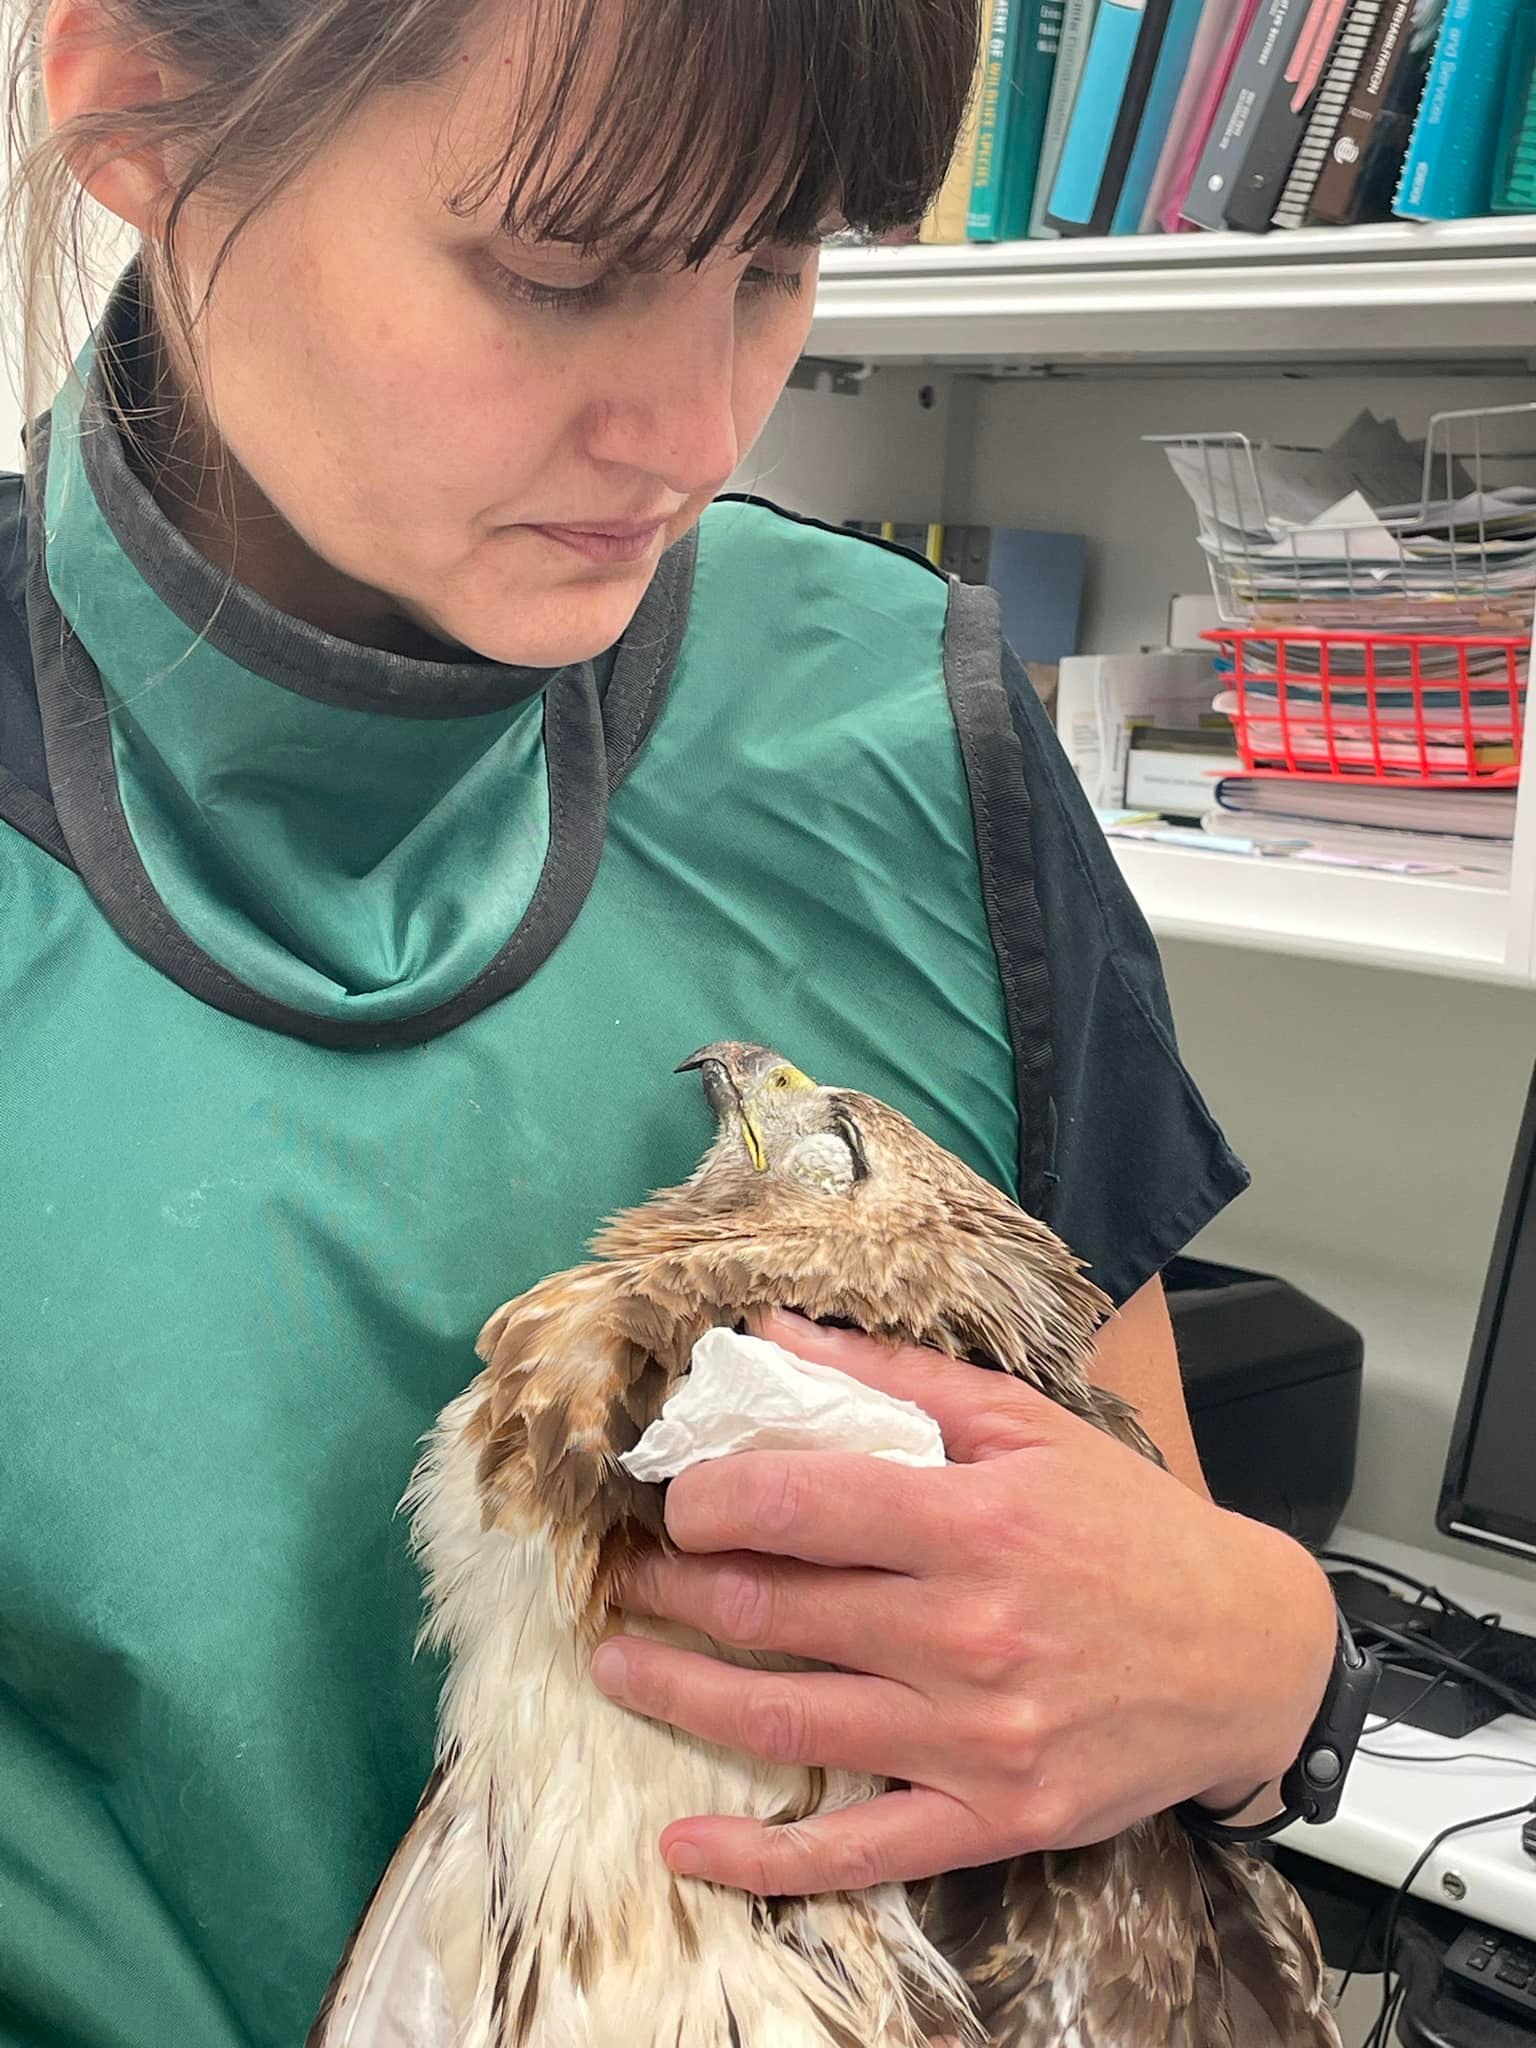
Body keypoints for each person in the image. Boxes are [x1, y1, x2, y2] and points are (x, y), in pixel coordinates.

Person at [0, 0, 1341, 2041]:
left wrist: (1271, 1666)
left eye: (782, 261)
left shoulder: (916, 734)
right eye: (559, 270)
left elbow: (1116, 1588)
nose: (702, 433)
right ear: (145, 118)